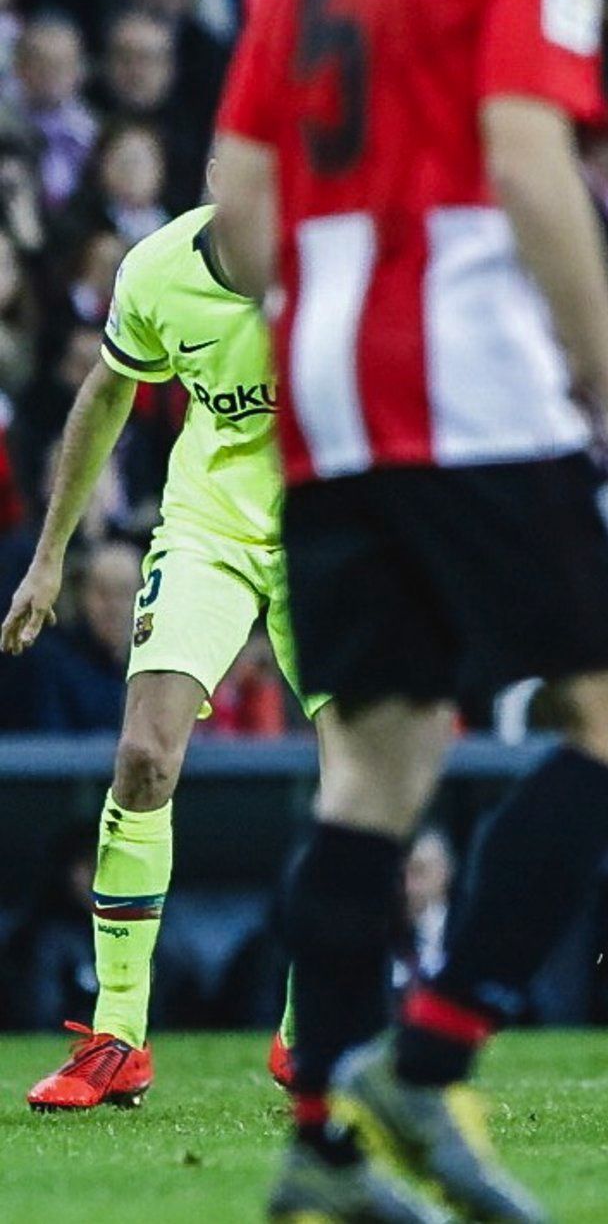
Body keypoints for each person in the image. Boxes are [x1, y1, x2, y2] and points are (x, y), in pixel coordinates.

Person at [209, 0, 608, 1216]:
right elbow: (528, 162)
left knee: (371, 770)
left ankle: (320, 1146)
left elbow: (239, 217)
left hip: (322, 392)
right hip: (467, 376)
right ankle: (430, 1058)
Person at [4, 200, 325, 1109]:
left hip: (330, 528)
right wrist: (49, 554)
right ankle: (118, 1038)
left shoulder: (338, 253)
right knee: (144, 757)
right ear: (225, 174)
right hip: (208, 526)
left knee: (360, 778)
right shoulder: (155, 269)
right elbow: (107, 395)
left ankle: (315, 1031)